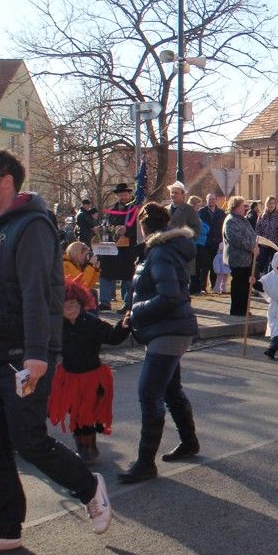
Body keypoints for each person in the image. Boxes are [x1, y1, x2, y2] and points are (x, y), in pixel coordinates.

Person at [0, 148, 111, 555]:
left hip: (21, 354)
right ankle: (3, 527)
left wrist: (38, 354)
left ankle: (89, 487)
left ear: (6, 180)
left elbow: (37, 292)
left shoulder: (32, 226)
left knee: (29, 441)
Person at [119, 203, 199, 484]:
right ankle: (189, 442)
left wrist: (137, 312)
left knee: (149, 393)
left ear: (144, 227)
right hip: (169, 328)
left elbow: (169, 296)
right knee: (171, 389)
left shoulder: (161, 251)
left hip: (169, 331)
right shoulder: (163, 249)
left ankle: (145, 463)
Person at [48, 282, 131, 464]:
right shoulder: (56, 325)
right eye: (65, 305)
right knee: (74, 413)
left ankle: (89, 450)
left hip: (92, 377)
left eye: (73, 304)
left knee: (86, 415)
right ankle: (83, 448)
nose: (69, 309)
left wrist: (124, 326)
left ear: (81, 303)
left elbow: (112, 337)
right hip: (69, 377)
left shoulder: (92, 323)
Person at [98, 182, 139, 313]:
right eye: (121, 195)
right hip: (112, 247)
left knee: (128, 276)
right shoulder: (112, 209)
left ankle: (128, 303)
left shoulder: (136, 209)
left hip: (128, 248)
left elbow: (140, 228)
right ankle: (104, 302)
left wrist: (127, 230)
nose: (123, 197)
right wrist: (103, 229)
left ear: (130, 194)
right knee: (105, 273)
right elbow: (107, 225)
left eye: (125, 194)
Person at [223, 196, 258, 317]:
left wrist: (256, 245)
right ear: (236, 207)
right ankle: (237, 310)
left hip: (247, 258)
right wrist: (251, 247)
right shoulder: (231, 221)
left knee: (246, 284)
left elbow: (252, 234)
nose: (245, 208)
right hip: (238, 258)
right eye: (243, 206)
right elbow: (236, 239)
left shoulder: (243, 219)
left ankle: (244, 309)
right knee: (239, 284)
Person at [166, 181, 201, 280]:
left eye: (176, 193)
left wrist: (187, 240)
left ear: (182, 195)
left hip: (183, 250)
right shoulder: (165, 209)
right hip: (168, 249)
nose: (173, 195)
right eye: (172, 192)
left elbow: (196, 228)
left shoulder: (189, 210)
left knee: (182, 278)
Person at [198, 193, 226, 292]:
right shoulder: (201, 212)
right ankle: (202, 287)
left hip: (217, 243)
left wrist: (223, 241)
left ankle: (214, 286)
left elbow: (224, 228)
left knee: (216, 266)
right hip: (205, 243)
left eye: (213, 199)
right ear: (206, 200)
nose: (211, 201)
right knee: (205, 266)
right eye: (210, 199)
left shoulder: (221, 213)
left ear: (216, 200)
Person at [255, 195, 278, 277]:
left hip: (276, 244)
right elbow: (257, 230)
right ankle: (261, 280)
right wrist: (258, 242)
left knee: (275, 264)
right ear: (266, 204)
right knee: (262, 264)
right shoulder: (262, 216)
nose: (271, 205)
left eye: (273, 203)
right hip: (265, 244)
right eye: (270, 203)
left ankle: (274, 279)